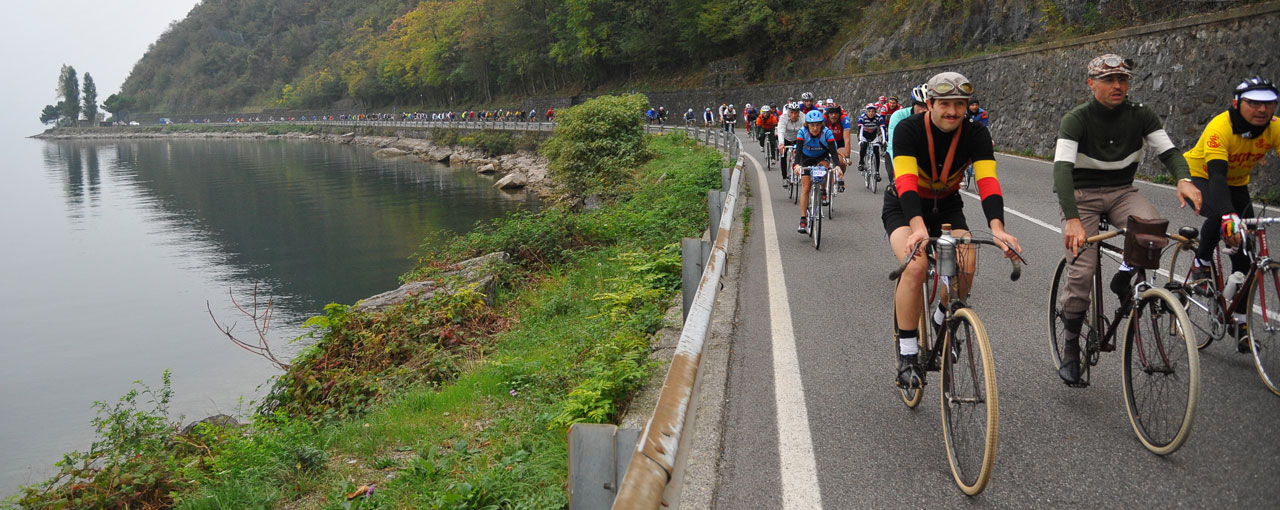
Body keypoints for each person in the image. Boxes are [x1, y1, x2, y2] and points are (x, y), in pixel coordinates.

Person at [1053, 54, 1201, 385]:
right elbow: (1062, 169)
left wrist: (1183, 178)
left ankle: (1123, 278)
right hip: (1081, 196)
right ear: (1092, 84)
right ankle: (1070, 348)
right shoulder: (1076, 119)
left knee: (1152, 231)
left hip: (1121, 191)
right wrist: (1073, 220)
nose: (1118, 85)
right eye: (1109, 80)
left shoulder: (1141, 115)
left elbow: (1169, 152)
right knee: (1082, 268)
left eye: (1123, 79)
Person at [887, 71, 1022, 389]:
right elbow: (905, 181)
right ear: (930, 104)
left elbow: (988, 181)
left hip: (947, 208)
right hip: (904, 207)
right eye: (945, 103)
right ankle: (908, 356)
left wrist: (998, 228)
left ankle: (941, 318)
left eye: (959, 104)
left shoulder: (975, 135)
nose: (952, 111)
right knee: (916, 265)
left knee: (966, 263)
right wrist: (917, 227)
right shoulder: (908, 129)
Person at [1183, 76, 1280, 352]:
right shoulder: (1220, 127)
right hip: (1200, 177)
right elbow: (1216, 176)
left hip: (1237, 184)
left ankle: (1239, 325)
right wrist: (1228, 215)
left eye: (1270, 104)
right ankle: (1201, 263)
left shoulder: (1275, 128)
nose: (1262, 110)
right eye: (1254, 104)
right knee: (1220, 215)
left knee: (1246, 256)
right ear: (1237, 103)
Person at [794, 110, 841, 233]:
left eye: (817, 125)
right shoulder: (802, 132)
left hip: (821, 157)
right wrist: (797, 165)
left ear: (821, 125)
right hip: (806, 158)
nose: (814, 128)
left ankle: (823, 190)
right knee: (805, 188)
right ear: (807, 125)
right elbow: (798, 151)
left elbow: (833, 152)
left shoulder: (827, 133)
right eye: (811, 125)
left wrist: (837, 165)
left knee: (824, 168)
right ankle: (803, 219)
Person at [887, 84, 929, 182]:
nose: (925, 110)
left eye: (928, 106)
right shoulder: (899, 116)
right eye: (921, 106)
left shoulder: (937, 118)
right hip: (899, 154)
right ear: (913, 105)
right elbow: (895, 146)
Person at [824, 104, 852, 192]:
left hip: (840, 142)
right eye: (831, 113)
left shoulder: (844, 119)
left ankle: (840, 177)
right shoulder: (823, 119)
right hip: (826, 142)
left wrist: (847, 157)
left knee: (842, 162)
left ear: (839, 114)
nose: (833, 115)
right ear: (828, 114)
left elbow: (847, 140)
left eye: (836, 113)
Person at [776, 103, 805, 187]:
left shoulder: (803, 117)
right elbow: (781, 131)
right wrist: (781, 144)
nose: (794, 115)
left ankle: (801, 173)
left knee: (803, 154)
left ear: (799, 112)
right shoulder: (783, 117)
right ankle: (784, 177)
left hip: (798, 139)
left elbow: (806, 130)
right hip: (786, 139)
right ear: (789, 112)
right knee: (783, 156)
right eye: (791, 113)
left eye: (796, 113)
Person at [857, 103, 886, 175]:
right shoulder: (862, 117)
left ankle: (877, 172)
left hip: (873, 135)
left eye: (873, 111)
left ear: (875, 112)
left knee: (876, 151)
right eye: (869, 111)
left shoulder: (879, 118)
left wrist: (884, 140)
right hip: (863, 135)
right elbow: (860, 129)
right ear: (866, 111)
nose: (871, 113)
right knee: (863, 146)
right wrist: (861, 140)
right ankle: (861, 162)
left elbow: (882, 129)